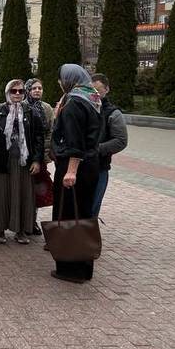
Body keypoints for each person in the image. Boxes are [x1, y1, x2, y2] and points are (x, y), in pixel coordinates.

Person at [50, 64, 103, 283]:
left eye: (62, 78)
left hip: (75, 168)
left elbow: (75, 141)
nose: (60, 82)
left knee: (68, 216)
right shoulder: (92, 98)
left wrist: (71, 171)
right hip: (90, 165)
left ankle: (70, 268)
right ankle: (84, 267)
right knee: (83, 216)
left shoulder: (73, 104)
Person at [0, 80, 45, 244]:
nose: (17, 94)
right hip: (1, 161)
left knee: (23, 195)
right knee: (1, 195)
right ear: (7, 92)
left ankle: (21, 231)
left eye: (21, 91)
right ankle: (0, 231)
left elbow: (39, 138)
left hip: (24, 162)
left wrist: (37, 161)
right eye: (13, 91)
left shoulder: (31, 112)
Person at [91, 73, 128, 216]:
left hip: (99, 167)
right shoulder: (82, 108)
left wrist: (96, 149)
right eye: (91, 90)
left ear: (107, 89)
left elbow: (121, 141)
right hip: (80, 167)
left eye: (98, 90)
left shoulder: (113, 113)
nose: (94, 94)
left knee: (93, 206)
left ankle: (88, 235)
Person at [24, 78, 55, 235]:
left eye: (40, 88)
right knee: (24, 189)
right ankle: (22, 220)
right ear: (28, 90)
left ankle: (32, 221)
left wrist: (44, 150)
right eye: (34, 88)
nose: (37, 90)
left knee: (37, 190)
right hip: (23, 156)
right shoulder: (22, 106)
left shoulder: (47, 108)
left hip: (40, 156)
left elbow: (51, 131)